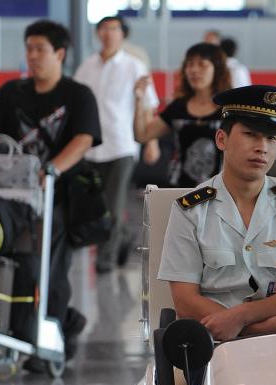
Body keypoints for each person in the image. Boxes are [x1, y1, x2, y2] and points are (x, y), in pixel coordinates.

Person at [158, 85, 276, 343]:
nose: (262, 148)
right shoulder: (190, 209)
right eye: (251, 135)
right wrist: (253, 328)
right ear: (221, 139)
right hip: (213, 343)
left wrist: (242, 316)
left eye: (272, 139)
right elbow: (185, 302)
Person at [0, 20, 102, 366]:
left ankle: (58, 329)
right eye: (29, 48)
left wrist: (51, 168)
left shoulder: (77, 94)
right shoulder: (11, 93)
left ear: (60, 54)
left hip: (58, 196)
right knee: (20, 264)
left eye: (40, 49)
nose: (32, 56)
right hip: (11, 194)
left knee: (51, 270)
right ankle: (35, 326)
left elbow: (83, 139)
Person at [74, 15, 160, 274]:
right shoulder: (86, 66)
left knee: (113, 205)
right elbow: (77, 104)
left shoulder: (135, 66)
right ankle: (122, 237)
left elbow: (148, 106)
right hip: (89, 146)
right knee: (94, 207)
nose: (108, 33)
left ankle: (106, 259)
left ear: (123, 34)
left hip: (121, 145)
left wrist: (151, 141)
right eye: (103, 28)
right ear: (97, 33)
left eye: (114, 29)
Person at [134, 42, 231, 187]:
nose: (194, 70)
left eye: (202, 65)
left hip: (221, 189)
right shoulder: (178, 106)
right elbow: (142, 135)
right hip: (180, 189)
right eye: (189, 64)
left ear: (217, 70)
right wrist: (139, 100)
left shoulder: (229, 107)